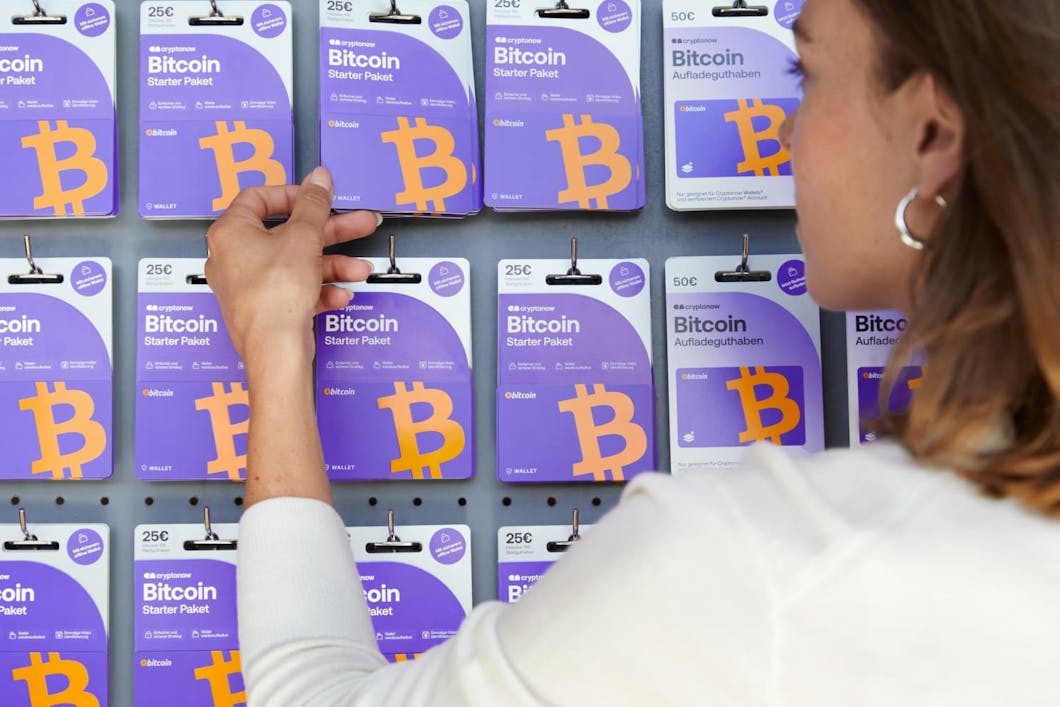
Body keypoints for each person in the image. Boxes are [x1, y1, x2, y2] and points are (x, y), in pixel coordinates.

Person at [205, 0, 1060, 703]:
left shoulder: (765, 560)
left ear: (932, 134)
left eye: (810, 73)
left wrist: (271, 346)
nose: (784, 130)